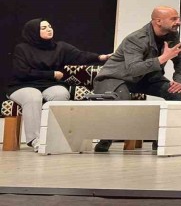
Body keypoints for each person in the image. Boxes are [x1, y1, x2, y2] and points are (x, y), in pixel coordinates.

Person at [92, 6, 181, 153]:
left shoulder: (172, 35)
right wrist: (162, 58)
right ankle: (107, 137)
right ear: (158, 21)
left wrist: (180, 81)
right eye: (174, 19)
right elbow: (134, 69)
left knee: (174, 92)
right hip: (115, 77)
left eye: (178, 18)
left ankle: (160, 140)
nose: (178, 22)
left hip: (146, 78)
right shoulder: (136, 39)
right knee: (122, 100)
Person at [7, 18, 110, 151]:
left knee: (60, 93)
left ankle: (55, 137)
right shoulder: (22, 49)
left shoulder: (60, 47)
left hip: (49, 85)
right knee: (33, 96)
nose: (49, 29)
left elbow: (81, 55)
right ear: (33, 32)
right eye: (43, 28)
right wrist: (51, 74)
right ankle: (36, 140)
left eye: (50, 26)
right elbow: (22, 72)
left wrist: (100, 57)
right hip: (23, 85)